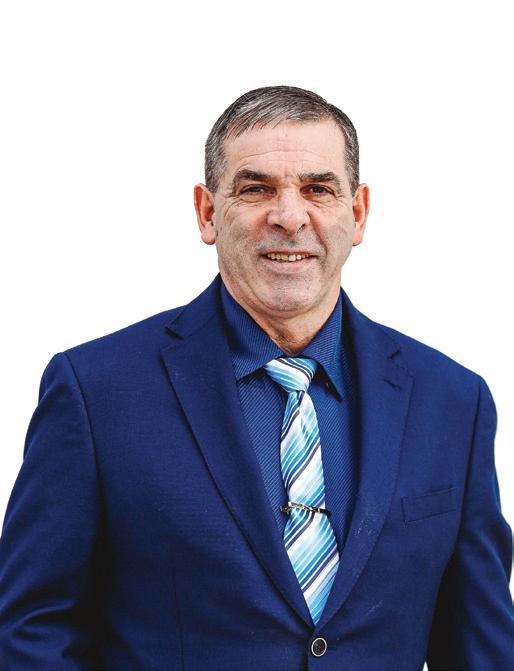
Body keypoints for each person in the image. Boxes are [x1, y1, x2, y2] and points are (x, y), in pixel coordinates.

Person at [0, 85, 512, 671]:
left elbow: (481, 647)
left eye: (318, 189)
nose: (289, 216)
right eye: (255, 189)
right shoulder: (95, 392)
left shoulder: (452, 402)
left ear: (359, 212)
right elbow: (32, 631)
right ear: (207, 213)